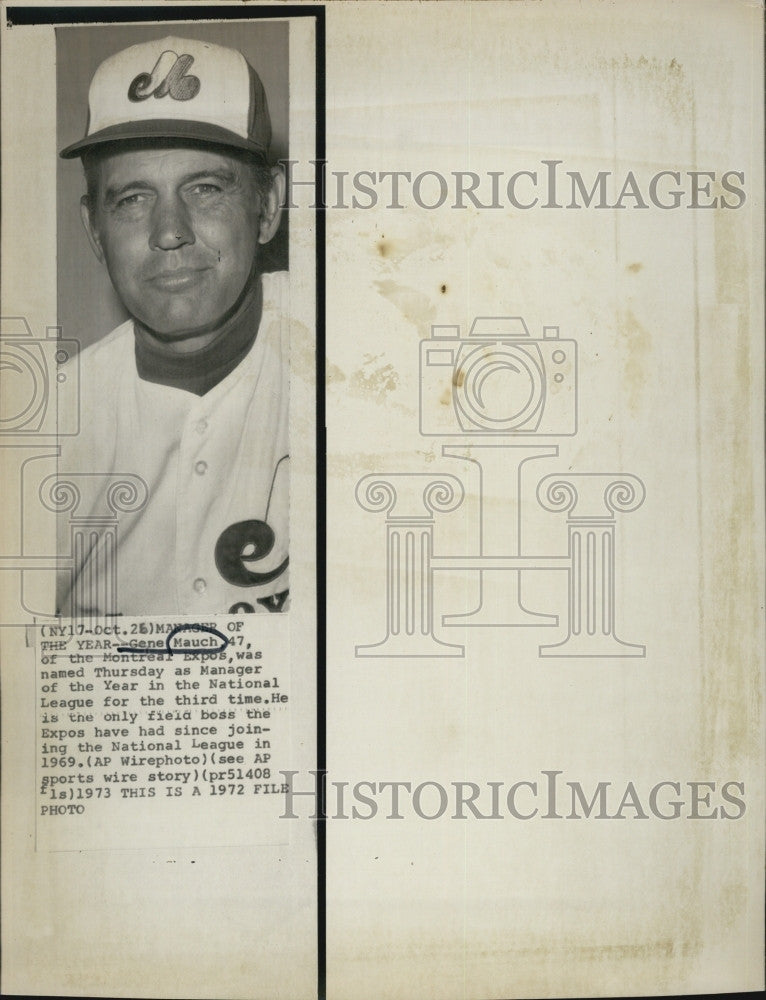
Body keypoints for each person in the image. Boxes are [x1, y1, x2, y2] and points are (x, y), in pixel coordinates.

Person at [56, 35, 291, 617]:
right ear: (94, 230)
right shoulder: (46, 426)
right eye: (133, 199)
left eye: (206, 189)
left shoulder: (361, 353)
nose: (169, 231)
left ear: (267, 207)